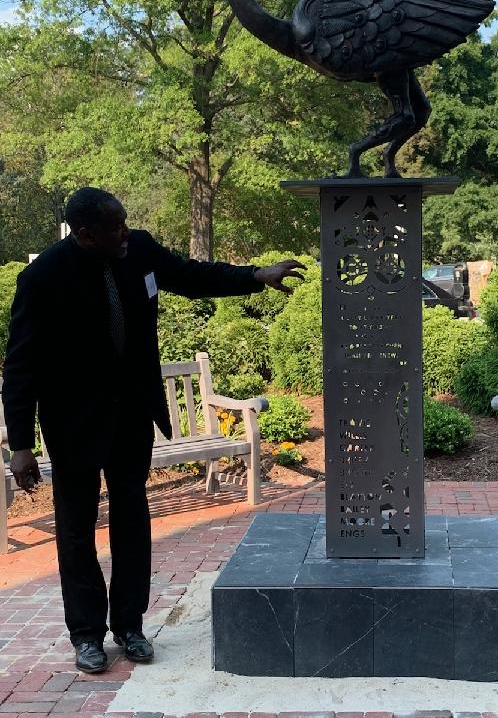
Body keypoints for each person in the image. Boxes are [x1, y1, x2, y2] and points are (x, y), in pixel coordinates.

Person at [2, 186, 305, 673]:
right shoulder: (43, 278)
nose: (126, 232)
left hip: (131, 415)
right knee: (76, 531)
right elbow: (21, 365)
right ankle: (85, 635)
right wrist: (20, 444)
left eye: (124, 223)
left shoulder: (137, 249)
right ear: (85, 234)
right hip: (73, 424)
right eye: (115, 227)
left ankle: (129, 625)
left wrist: (254, 276)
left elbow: (190, 275)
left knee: (131, 519)